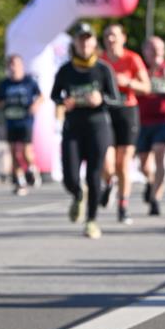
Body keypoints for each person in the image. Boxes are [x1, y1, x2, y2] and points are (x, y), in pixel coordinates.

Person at [50, 23, 119, 239]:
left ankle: (91, 220)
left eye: (88, 39)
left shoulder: (103, 69)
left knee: (93, 174)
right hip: (73, 128)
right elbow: (54, 95)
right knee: (69, 176)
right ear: (75, 43)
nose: (85, 43)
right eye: (81, 39)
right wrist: (64, 101)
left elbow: (117, 99)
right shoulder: (66, 70)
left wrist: (101, 99)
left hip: (98, 127)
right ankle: (78, 194)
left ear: (94, 42)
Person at [100, 24, 150, 224]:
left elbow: (146, 87)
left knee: (123, 163)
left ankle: (123, 206)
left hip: (127, 112)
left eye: (114, 35)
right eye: (107, 36)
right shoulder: (100, 61)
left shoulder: (132, 59)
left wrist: (128, 82)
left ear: (123, 38)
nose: (110, 39)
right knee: (107, 162)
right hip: (106, 113)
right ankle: (108, 183)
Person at [0, 54, 42, 195]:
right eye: (10, 65)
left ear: (21, 66)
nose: (13, 67)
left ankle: (31, 169)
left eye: (15, 64)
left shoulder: (29, 81)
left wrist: (36, 104)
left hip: (26, 121)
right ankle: (20, 182)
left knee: (25, 152)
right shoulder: (5, 84)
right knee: (13, 153)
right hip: (11, 121)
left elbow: (41, 96)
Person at [136, 37, 165, 216]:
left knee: (160, 155)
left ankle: (155, 198)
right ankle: (151, 182)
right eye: (152, 49)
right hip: (142, 120)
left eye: (160, 49)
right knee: (144, 165)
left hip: (164, 119)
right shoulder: (140, 69)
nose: (156, 52)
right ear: (145, 51)